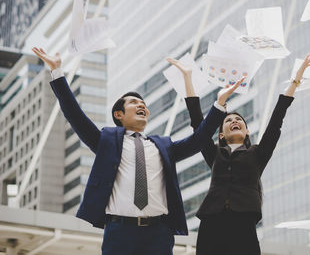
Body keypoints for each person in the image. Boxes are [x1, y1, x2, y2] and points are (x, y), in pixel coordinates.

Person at [32, 47, 243, 255]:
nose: (142, 105)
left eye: (143, 103)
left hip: (159, 233)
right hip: (120, 232)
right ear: (119, 114)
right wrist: (57, 73)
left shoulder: (163, 146)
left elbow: (199, 140)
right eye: (134, 103)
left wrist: (219, 103)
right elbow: (75, 115)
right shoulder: (106, 142)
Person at [167, 53, 310, 255]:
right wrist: (188, 78)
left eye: (239, 120)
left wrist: (296, 80)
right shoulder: (214, 153)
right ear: (221, 134)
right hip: (211, 221)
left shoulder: (258, 153)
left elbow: (276, 121)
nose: (234, 121)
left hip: (243, 222)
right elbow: (197, 121)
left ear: (247, 131)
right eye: (228, 121)